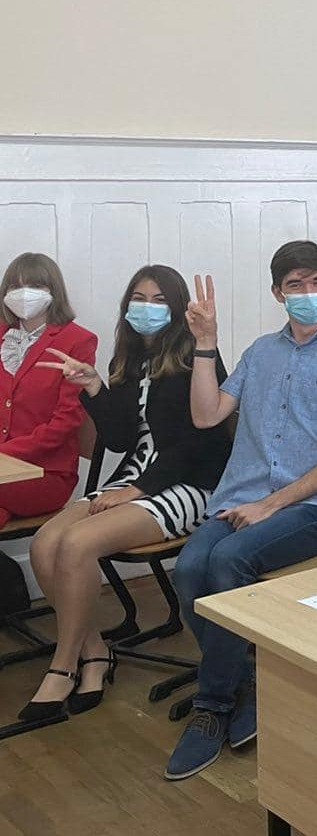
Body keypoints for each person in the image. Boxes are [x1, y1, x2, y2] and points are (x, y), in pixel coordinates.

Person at [167, 244, 317, 780]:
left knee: (227, 562)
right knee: (188, 569)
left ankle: (212, 705)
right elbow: (206, 414)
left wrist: (271, 504)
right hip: (242, 498)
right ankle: (245, 680)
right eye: (295, 285)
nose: (308, 294)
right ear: (277, 294)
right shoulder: (261, 351)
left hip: (313, 508)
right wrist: (206, 344)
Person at [22, 267, 229, 723]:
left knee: (77, 544)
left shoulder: (196, 356)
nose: (146, 308)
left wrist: (138, 490)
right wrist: (94, 386)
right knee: (44, 543)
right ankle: (94, 651)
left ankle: (63, 665)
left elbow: (204, 444)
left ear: (177, 308)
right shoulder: (130, 359)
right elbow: (119, 439)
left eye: (159, 299)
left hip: (189, 484)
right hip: (136, 476)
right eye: (138, 297)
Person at [0, 254, 96, 530]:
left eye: (35, 286)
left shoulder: (78, 341)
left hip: (46, 472)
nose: (24, 293)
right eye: (15, 287)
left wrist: (4, 453)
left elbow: (65, 422)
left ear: (54, 291)